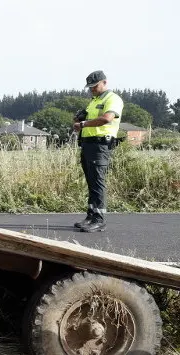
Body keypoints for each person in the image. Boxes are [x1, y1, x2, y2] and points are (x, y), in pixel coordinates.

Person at [72, 70, 123, 233]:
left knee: (98, 183)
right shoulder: (93, 101)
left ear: (104, 82)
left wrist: (83, 124)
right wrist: (79, 119)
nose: (92, 89)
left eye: (94, 86)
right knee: (91, 183)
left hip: (100, 145)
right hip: (88, 144)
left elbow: (107, 118)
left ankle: (99, 220)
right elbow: (85, 120)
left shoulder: (112, 99)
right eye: (90, 87)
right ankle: (91, 216)